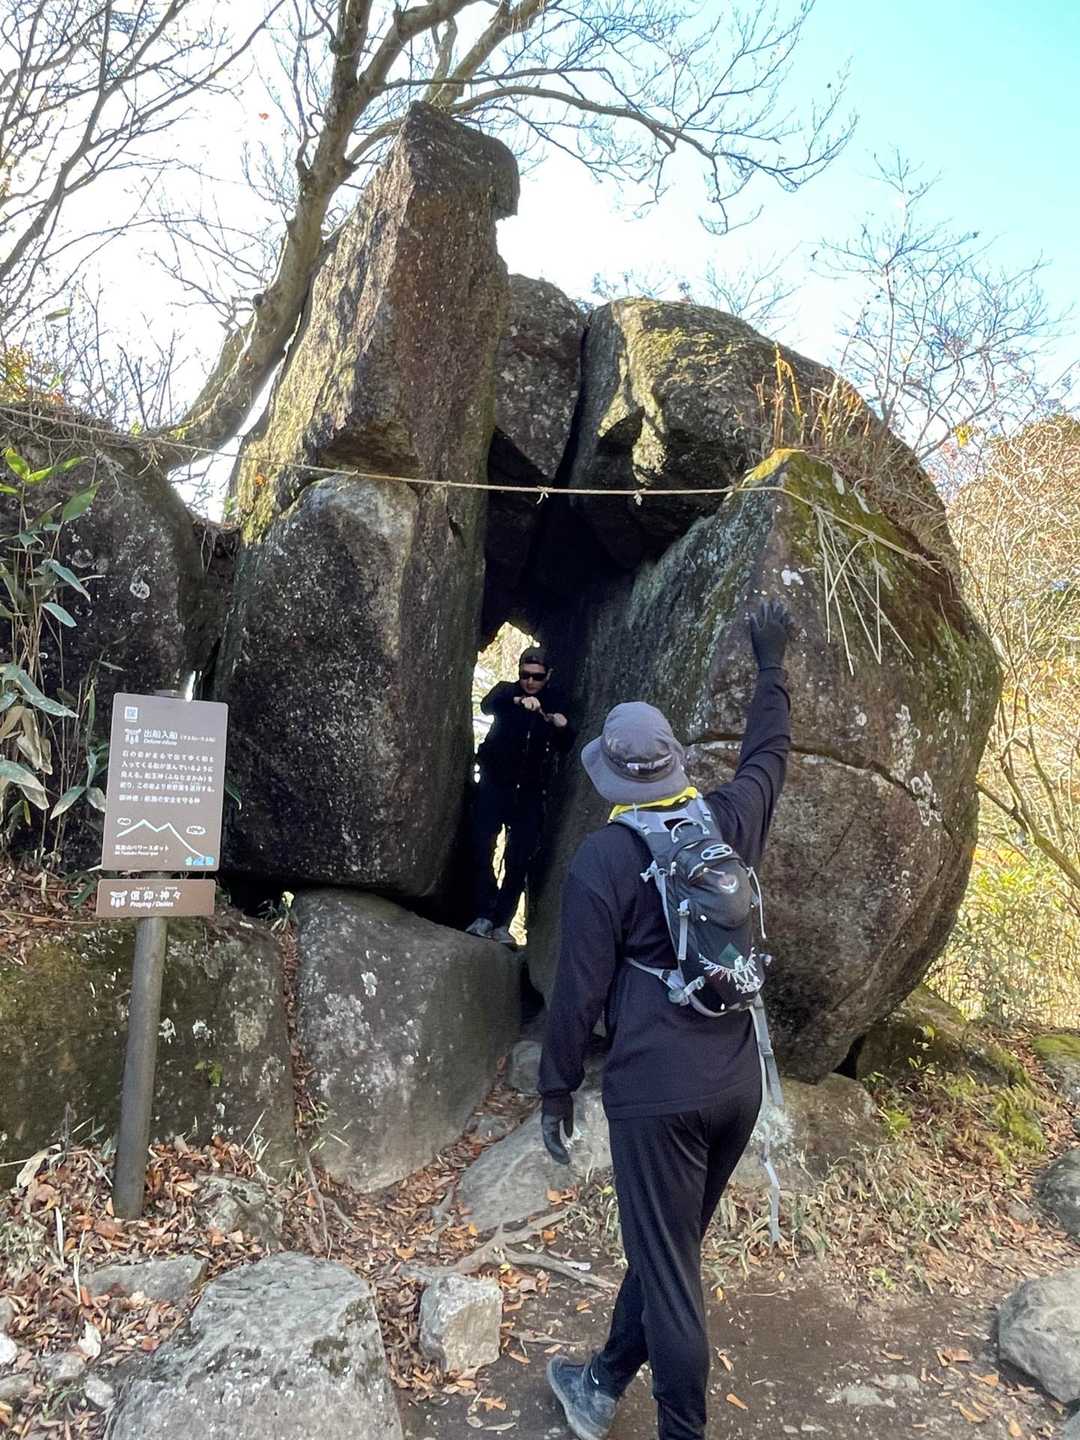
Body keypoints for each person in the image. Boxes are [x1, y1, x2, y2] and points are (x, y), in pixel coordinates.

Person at [538, 599, 793, 1440]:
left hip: (658, 1092)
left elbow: (578, 994)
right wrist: (770, 666)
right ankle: (602, 1380)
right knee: (667, 1247)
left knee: (672, 1269)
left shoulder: (604, 859)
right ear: (674, 762)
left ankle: (682, 1428)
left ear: (612, 778)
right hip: (737, 1080)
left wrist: (555, 1091)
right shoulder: (728, 819)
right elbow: (769, 756)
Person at [466, 646, 576, 946]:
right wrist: (518, 701)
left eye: (537, 677)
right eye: (525, 675)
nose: (530, 681)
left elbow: (566, 744)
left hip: (530, 793)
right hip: (495, 785)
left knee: (519, 858)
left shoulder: (556, 701)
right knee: (481, 847)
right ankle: (483, 914)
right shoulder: (507, 692)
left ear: (548, 676)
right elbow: (488, 704)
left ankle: (502, 922)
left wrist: (562, 726)